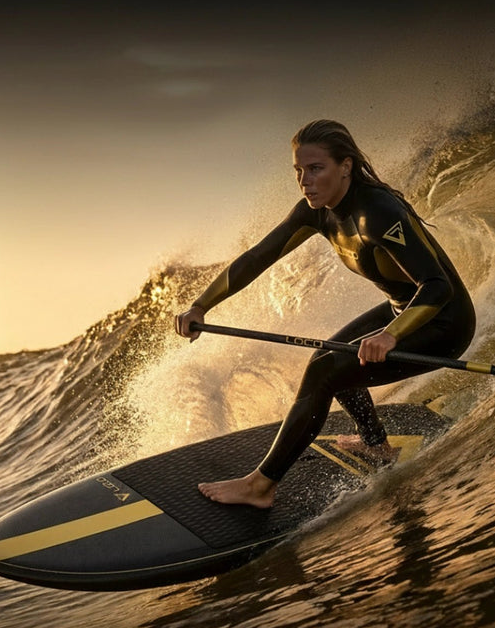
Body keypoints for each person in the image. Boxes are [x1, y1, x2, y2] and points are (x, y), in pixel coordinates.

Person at [175, 119, 475, 508]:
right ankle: (377, 446)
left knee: (324, 372)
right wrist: (201, 304)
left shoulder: (378, 213)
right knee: (329, 354)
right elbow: (257, 258)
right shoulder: (317, 212)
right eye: (299, 171)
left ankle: (261, 486)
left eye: (315, 169)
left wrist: (390, 335)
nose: (305, 180)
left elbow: (437, 286)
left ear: (345, 166)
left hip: (445, 321)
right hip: (404, 310)